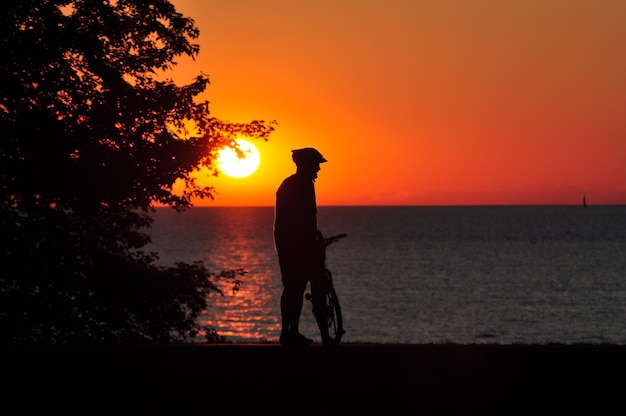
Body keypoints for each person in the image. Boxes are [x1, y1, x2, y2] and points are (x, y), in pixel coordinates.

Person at [274, 147, 329, 347]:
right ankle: (291, 333)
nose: (318, 169)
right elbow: (303, 218)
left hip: (291, 242)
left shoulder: (294, 184)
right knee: (298, 286)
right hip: (294, 243)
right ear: (305, 165)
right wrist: (313, 237)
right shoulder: (299, 185)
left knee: (293, 287)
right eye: (316, 165)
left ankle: (289, 332)